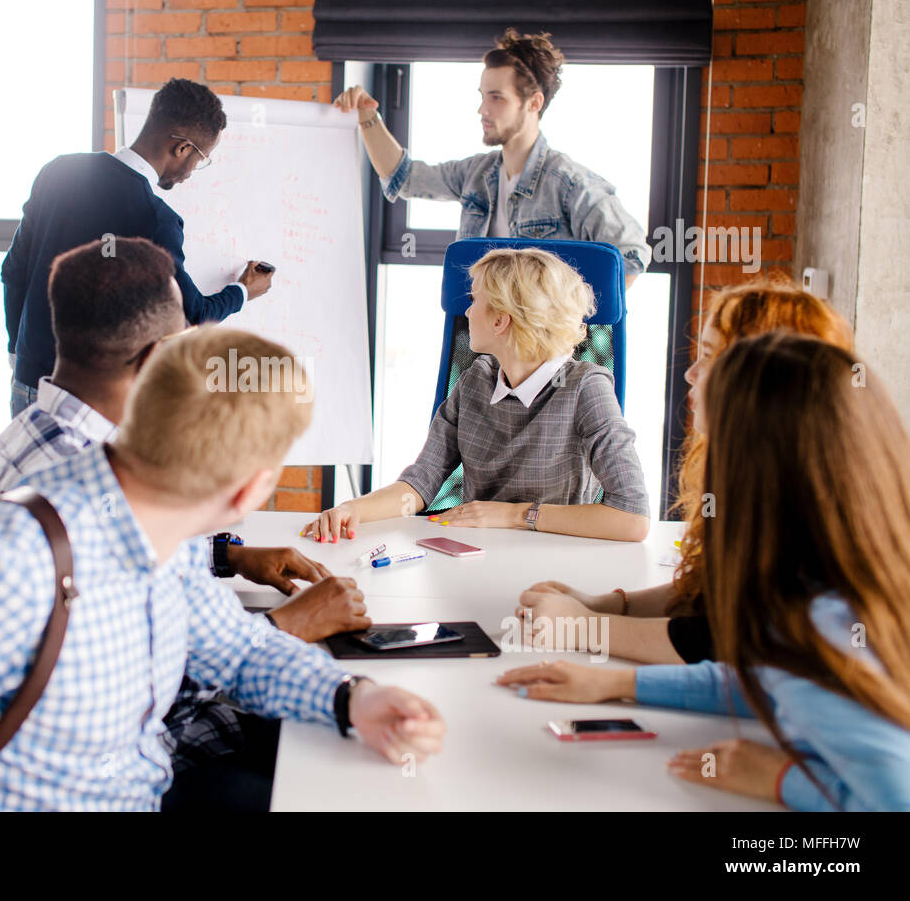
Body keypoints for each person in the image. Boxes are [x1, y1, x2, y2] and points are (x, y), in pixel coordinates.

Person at [0, 326, 445, 811]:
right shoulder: (7, 565)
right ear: (247, 493)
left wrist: (351, 698)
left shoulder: (161, 540)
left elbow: (239, 652)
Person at [0, 235, 371, 808]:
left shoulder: (47, 435)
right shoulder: (74, 479)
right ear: (160, 356)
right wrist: (289, 625)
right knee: (325, 784)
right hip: (129, 758)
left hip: (157, 724)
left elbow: (136, 569)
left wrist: (229, 556)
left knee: (332, 739)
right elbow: (125, 681)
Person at [498, 333, 910, 811]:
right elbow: (764, 680)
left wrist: (781, 779)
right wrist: (615, 684)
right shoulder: (841, 582)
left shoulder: (819, 627)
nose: (691, 379)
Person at [516, 281, 854, 663]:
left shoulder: (807, 494)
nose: (691, 374)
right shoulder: (759, 462)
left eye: (709, 356)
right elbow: (710, 592)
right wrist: (604, 605)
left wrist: (585, 627)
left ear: (764, 373)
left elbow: (726, 641)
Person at [303, 248, 648, 543]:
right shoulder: (475, 380)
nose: (467, 312)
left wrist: (515, 516)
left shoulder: (586, 387)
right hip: (474, 559)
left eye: (475, 300)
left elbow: (632, 517)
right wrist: (352, 509)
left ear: (501, 319)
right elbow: (420, 483)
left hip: (554, 572)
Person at [3, 77, 274, 418]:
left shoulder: (58, 172)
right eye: (201, 158)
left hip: (28, 383)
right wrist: (243, 291)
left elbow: (13, 271)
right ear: (182, 148)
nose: (193, 171)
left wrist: (17, 353)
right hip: (89, 403)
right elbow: (191, 314)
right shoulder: (155, 219)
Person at [334, 29, 650, 287]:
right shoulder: (477, 174)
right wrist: (367, 116)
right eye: (482, 96)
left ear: (534, 102)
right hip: (482, 350)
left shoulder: (568, 182)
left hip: (544, 358)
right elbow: (404, 178)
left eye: (496, 98)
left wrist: (573, 325)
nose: (482, 110)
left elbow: (630, 256)